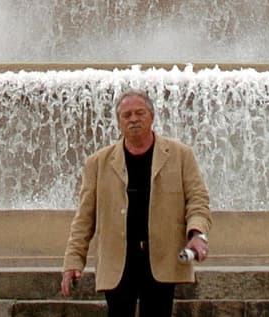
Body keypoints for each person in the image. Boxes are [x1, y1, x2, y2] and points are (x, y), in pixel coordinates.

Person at [60, 89, 210, 317]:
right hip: (117, 262)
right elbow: (84, 218)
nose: (133, 119)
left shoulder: (181, 155)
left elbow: (197, 200)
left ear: (152, 117)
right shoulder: (98, 163)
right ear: (119, 122)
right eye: (126, 115)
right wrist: (73, 261)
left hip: (161, 259)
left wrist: (197, 234)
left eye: (140, 113)